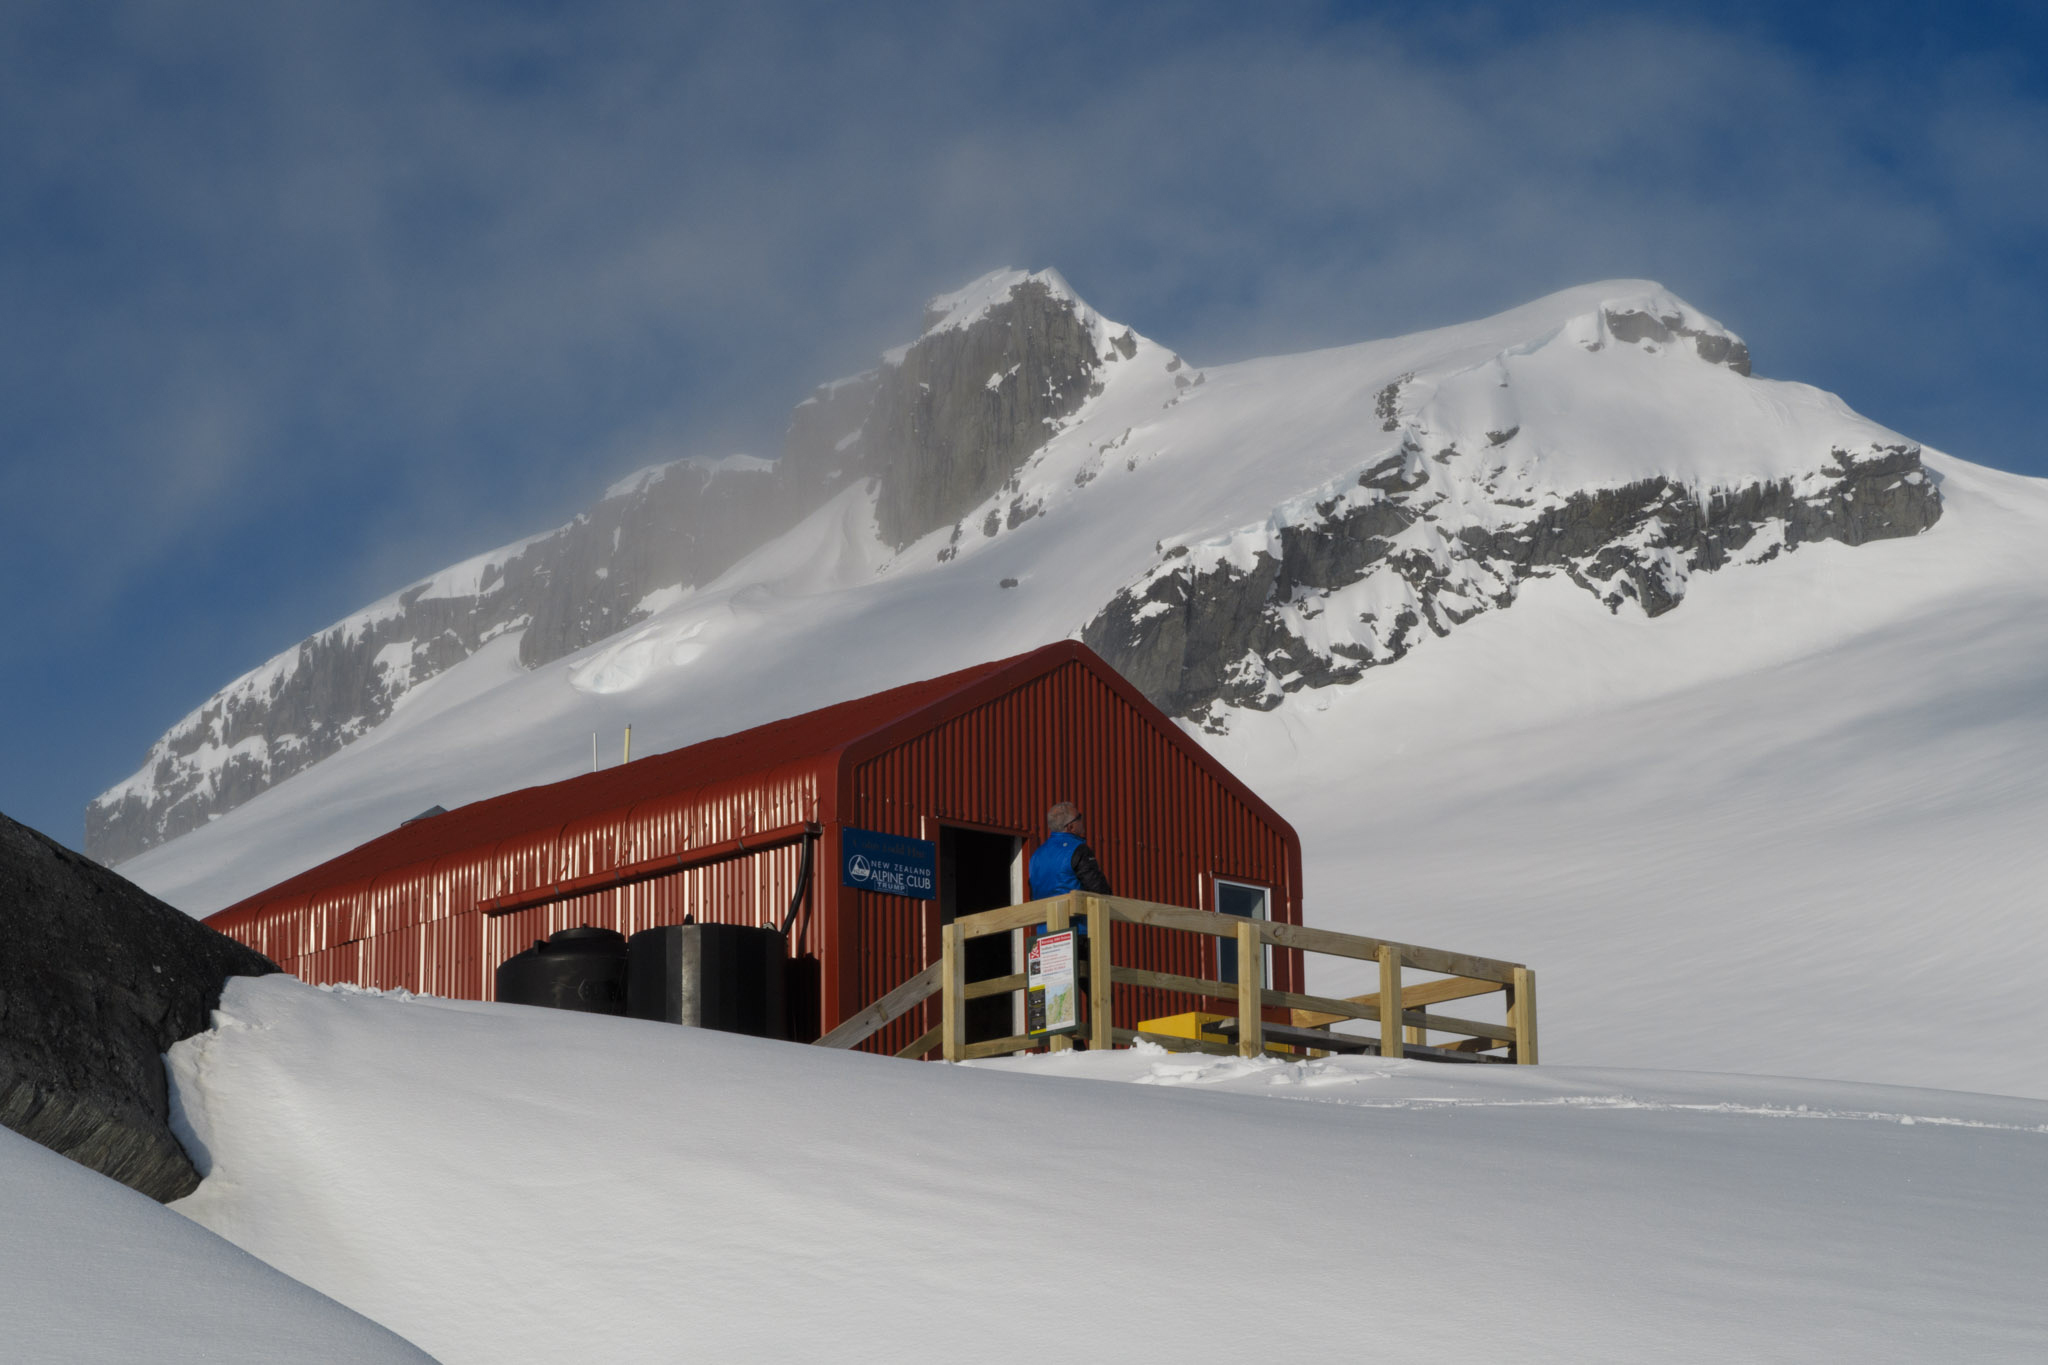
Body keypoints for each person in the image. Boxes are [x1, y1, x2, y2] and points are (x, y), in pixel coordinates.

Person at [1028, 801, 1112, 899]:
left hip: (1043, 913)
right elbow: (1098, 889)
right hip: (1073, 913)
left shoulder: (1036, 855)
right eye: (1079, 817)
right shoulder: (1078, 849)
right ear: (1070, 827)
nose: (1082, 820)